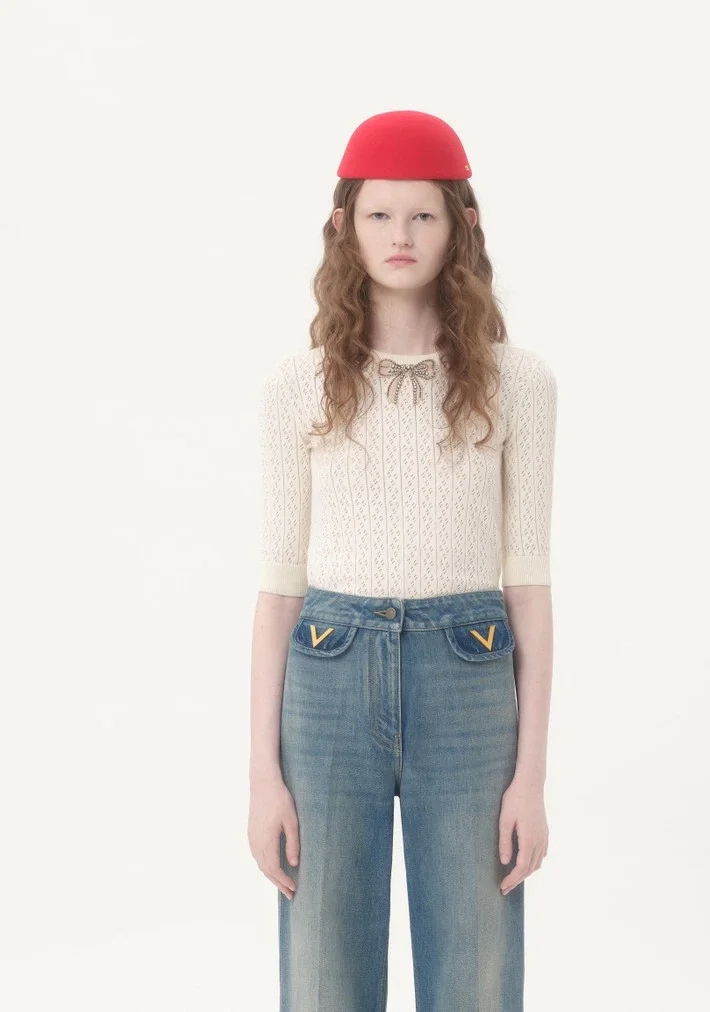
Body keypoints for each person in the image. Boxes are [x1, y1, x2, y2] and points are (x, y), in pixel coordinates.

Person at [248, 109, 558, 1012]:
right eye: (379, 215)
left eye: (423, 215)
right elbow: (278, 591)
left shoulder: (519, 383)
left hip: (469, 675)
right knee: (323, 973)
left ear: (460, 225)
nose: (401, 236)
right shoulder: (298, 386)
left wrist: (531, 779)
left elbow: (529, 588)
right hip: (328, 672)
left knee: (475, 969)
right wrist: (262, 775)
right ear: (344, 225)